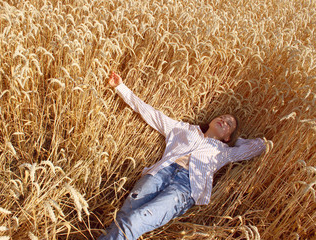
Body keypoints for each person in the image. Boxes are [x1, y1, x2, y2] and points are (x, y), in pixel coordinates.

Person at [99, 72, 267, 240]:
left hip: (184, 188)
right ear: (211, 120)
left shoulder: (224, 152)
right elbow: (151, 113)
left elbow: (258, 146)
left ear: (228, 136)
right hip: (159, 174)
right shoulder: (183, 129)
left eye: (228, 124)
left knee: (135, 221)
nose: (223, 121)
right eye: (222, 117)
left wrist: (235, 141)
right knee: (122, 219)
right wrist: (120, 87)